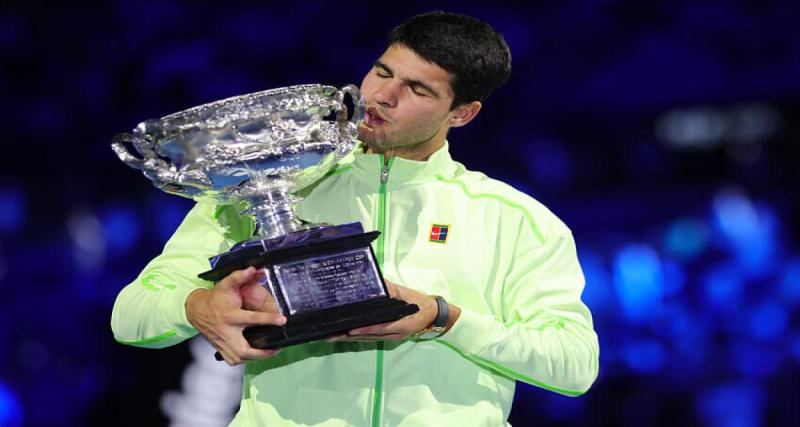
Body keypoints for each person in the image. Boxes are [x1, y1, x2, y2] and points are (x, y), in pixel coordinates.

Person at [112, 11, 599, 426]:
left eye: (418, 90)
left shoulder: (515, 219)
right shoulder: (267, 183)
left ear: (463, 114)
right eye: (382, 71)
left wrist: (443, 318)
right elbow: (130, 315)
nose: (383, 96)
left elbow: (574, 365)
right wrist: (196, 306)